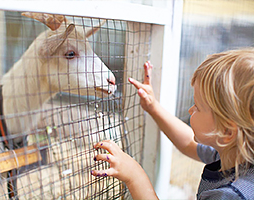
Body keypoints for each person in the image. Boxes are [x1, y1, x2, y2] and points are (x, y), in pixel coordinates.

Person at [91, 48, 254, 199]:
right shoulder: (235, 154)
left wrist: (134, 175)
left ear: (227, 131)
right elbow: (188, 143)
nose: (191, 110)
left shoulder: (230, 196)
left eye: (197, 106)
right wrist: (153, 107)